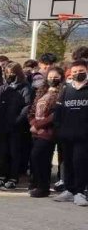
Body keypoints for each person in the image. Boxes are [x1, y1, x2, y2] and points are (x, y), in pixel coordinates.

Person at [52, 57, 88, 206]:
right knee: (67, 163)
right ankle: (69, 190)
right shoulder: (66, 89)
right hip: (66, 135)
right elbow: (58, 111)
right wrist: (59, 130)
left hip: (84, 136)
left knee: (80, 163)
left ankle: (80, 192)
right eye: (74, 72)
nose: (77, 73)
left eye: (81, 71)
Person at [0, 62, 32, 190]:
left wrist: (17, 121)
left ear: (18, 74)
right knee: (3, 152)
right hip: (2, 127)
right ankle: (2, 176)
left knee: (14, 152)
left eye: (12, 73)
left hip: (16, 127)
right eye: (7, 73)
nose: (9, 75)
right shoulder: (3, 88)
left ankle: (13, 177)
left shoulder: (25, 88)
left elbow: (27, 107)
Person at [28, 66, 64, 198]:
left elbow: (55, 115)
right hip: (36, 131)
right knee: (38, 159)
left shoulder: (62, 93)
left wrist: (37, 125)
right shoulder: (42, 91)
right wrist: (33, 123)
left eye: (56, 77)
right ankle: (39, 185)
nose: (52, 79)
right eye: (50, 77)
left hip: (49, 131)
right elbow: (32, 110)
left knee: (37, 155)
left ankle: (43, 186)